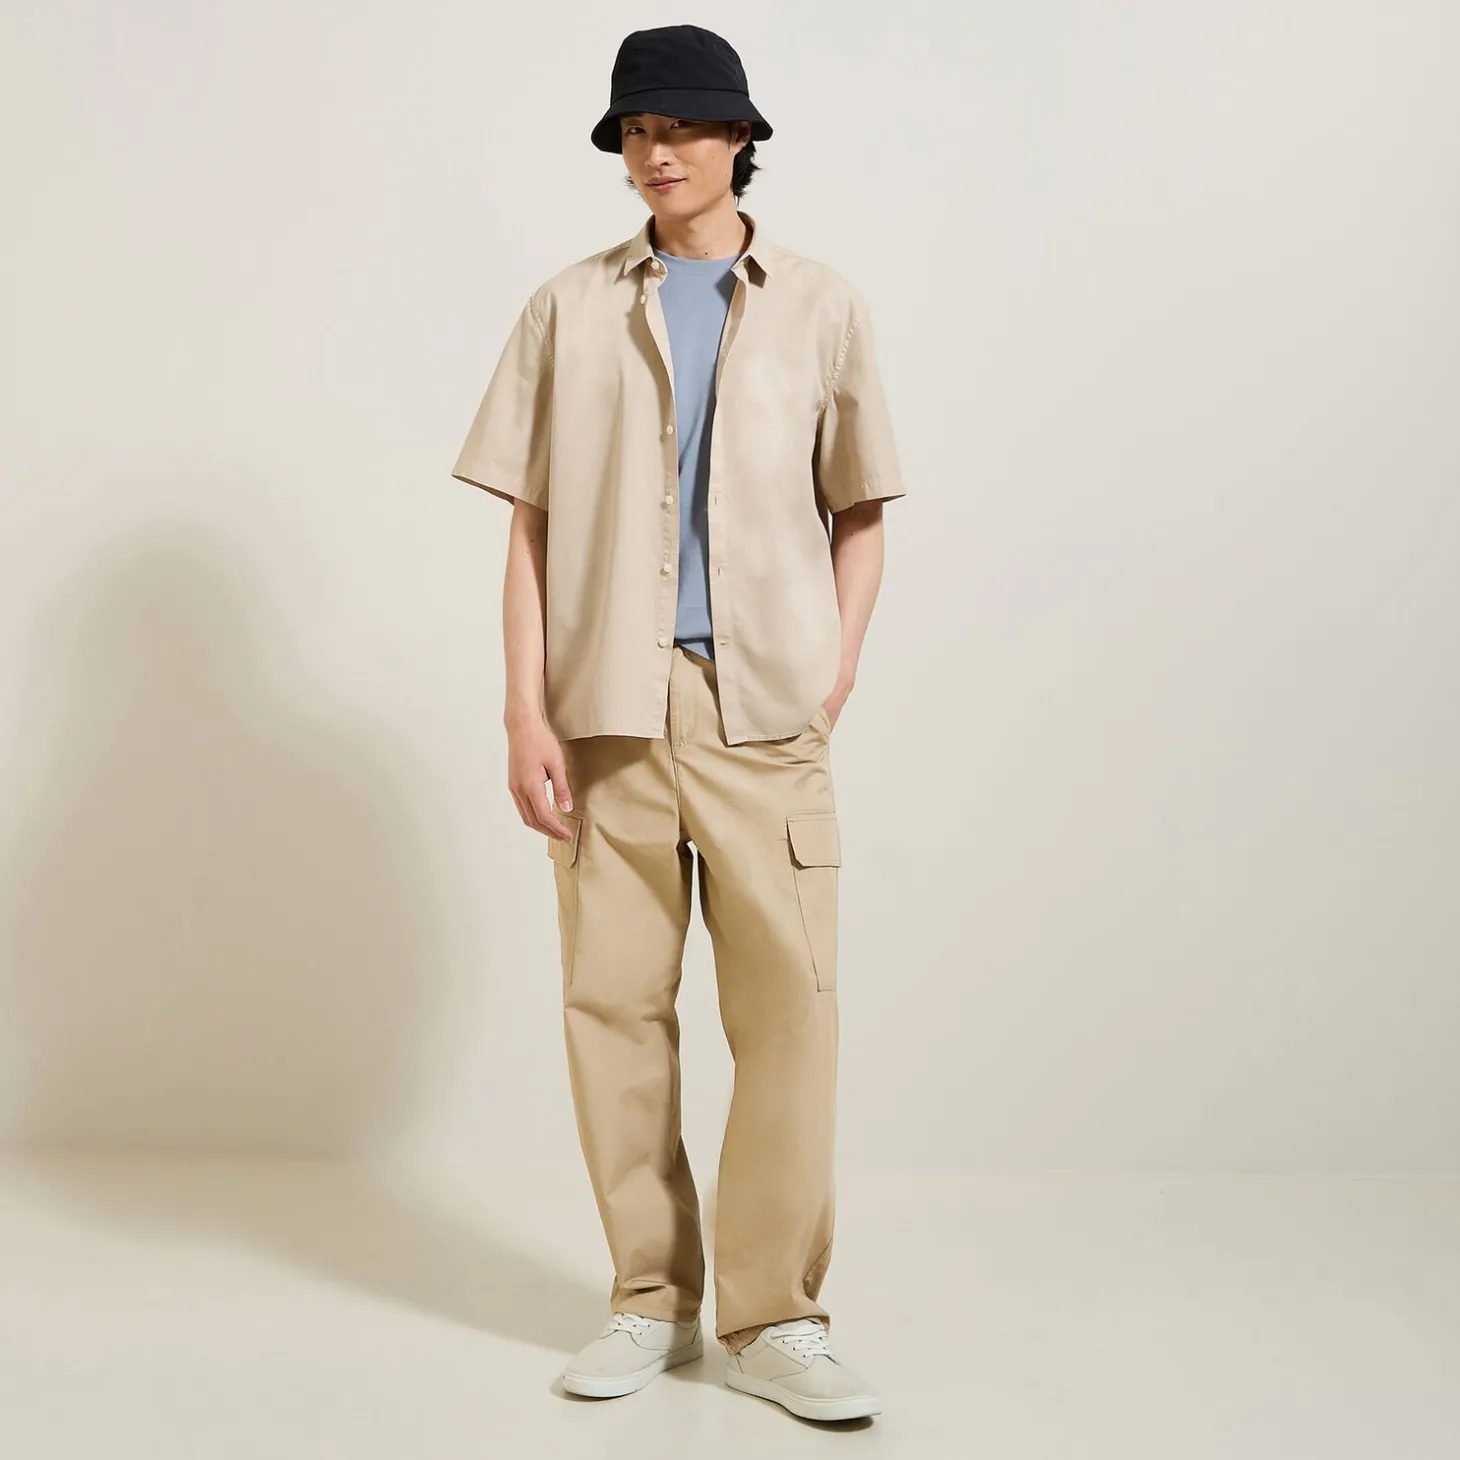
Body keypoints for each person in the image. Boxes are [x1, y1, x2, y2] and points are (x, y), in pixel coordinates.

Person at [449, 23, 906, 1425]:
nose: (658, 152)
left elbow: (861, 509)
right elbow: (528, 526)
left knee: (790, 1023)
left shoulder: (821, 306)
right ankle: (651, 1300)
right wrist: (524, 709)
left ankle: (776, 1318)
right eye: (638, 130)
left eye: (684, 127)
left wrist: (830, 670)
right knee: (615, 1014)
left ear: (739, 139)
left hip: (761, 713)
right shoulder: (566, 308)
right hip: (603, 713)